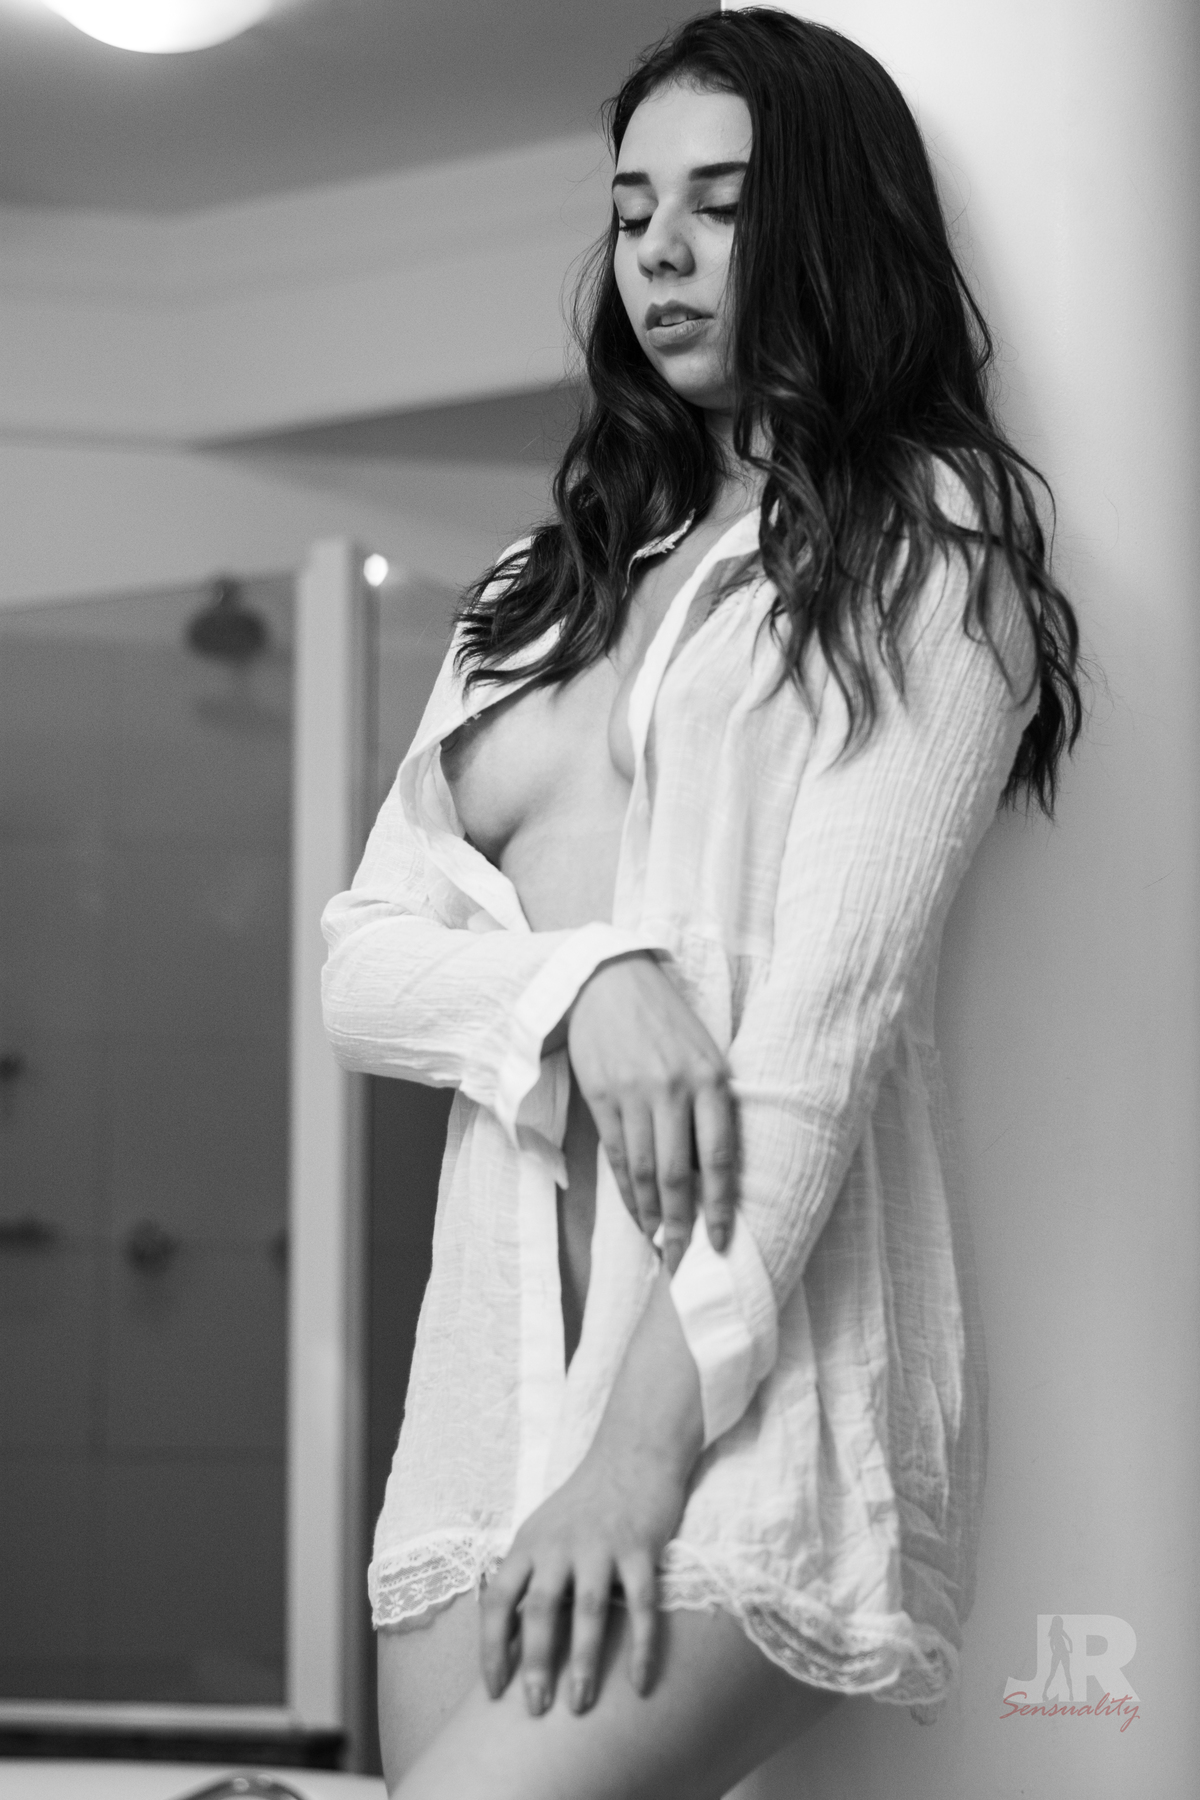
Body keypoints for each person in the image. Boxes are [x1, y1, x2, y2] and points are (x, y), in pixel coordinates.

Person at [320, 10, 1084, 1796]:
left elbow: (820, 1040)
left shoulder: (926, 553)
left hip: (739, 1411)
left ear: (828, 226)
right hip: (484, 1405)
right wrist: (580, 984)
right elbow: (362, 970)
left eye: (721, 205)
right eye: (633, 206)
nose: (657, 251)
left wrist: (634, 1461)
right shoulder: (534, 594)